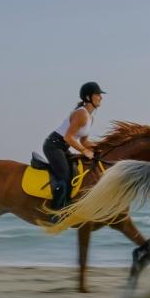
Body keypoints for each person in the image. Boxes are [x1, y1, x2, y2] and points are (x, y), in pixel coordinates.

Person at [42, 81, 106, 211]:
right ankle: (55, 211)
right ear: (88, 97)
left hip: (63, 147)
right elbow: (68, 137)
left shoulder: (90, 117)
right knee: (65, 176)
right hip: (53, 146)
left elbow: (84, 141)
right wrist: (84, 151)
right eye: (98, 94)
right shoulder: (81, 114)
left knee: (77, 171)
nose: (101, 97)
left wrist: (102, 146)